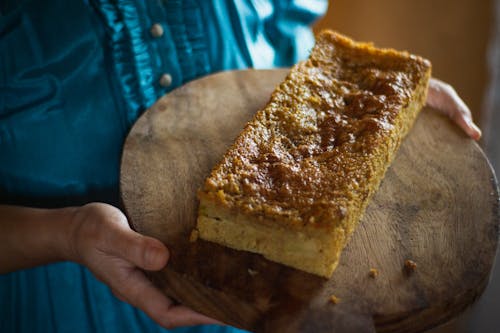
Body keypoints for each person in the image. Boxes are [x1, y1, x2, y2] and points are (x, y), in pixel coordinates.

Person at [0, 1, 481, 332]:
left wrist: (360, 97)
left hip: (265, 301)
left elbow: (284, 35)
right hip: (59, 305)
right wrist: (66, 233)